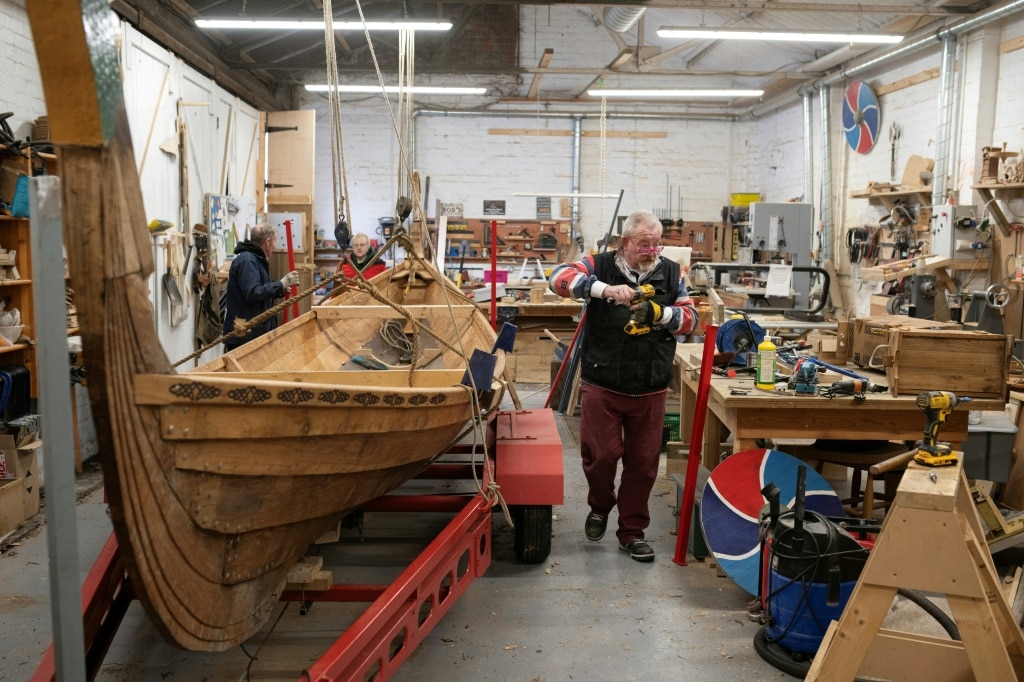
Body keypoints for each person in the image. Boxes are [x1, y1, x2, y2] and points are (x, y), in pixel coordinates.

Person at [548, 209, 699, 562]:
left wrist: (660, 315)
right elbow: (557, 278)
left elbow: (691, 318)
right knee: (601, 456)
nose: (652, 251)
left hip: (651, 385)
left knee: (644, 465)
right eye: (645, 244)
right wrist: (602, 289)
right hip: (604, 381)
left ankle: (631, 532)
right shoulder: (597, 264)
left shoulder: (672, 273)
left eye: (657, 244)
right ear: (625, 242)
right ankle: (600, 506)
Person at [222, 223, 299, 352]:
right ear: (267, 242)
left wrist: (280, 289)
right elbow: (253, 293)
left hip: (251, 333)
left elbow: (259, 287)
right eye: (274, 242)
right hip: (245, 336)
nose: (275, 246)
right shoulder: (248, 261)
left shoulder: (255, 260)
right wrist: (280, 284)